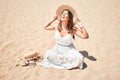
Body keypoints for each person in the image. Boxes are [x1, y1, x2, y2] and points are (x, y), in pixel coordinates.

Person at [38, 5, 89, 70]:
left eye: (66, 14)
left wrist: (81, 25)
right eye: (62, 13)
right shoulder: (56, 26)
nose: (63, 14)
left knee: (79, 58)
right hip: (57, 49)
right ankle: (63, 62)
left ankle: (61, 62)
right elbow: (45, 27)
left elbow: (85, 36)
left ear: (69, 18)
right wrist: (53, 19)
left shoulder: (72, 29)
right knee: (48, 54)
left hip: (69, 50)